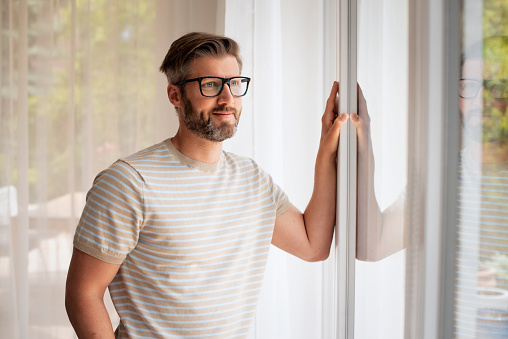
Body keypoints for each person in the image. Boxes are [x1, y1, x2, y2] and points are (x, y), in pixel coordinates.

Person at [65, 31, 367, 338]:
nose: (227, 99)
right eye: (210, 85)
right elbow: (83, 294)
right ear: (175, 95)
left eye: (234, 84)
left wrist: (326, 151)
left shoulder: (252, 179)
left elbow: (313, 245)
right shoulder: (128, 182)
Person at [454, 35, 508, 338]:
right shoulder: (441, 177)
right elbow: (374, 245)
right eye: (468, 86)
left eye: (496, 86)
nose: (481, 100)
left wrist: (498, 277)